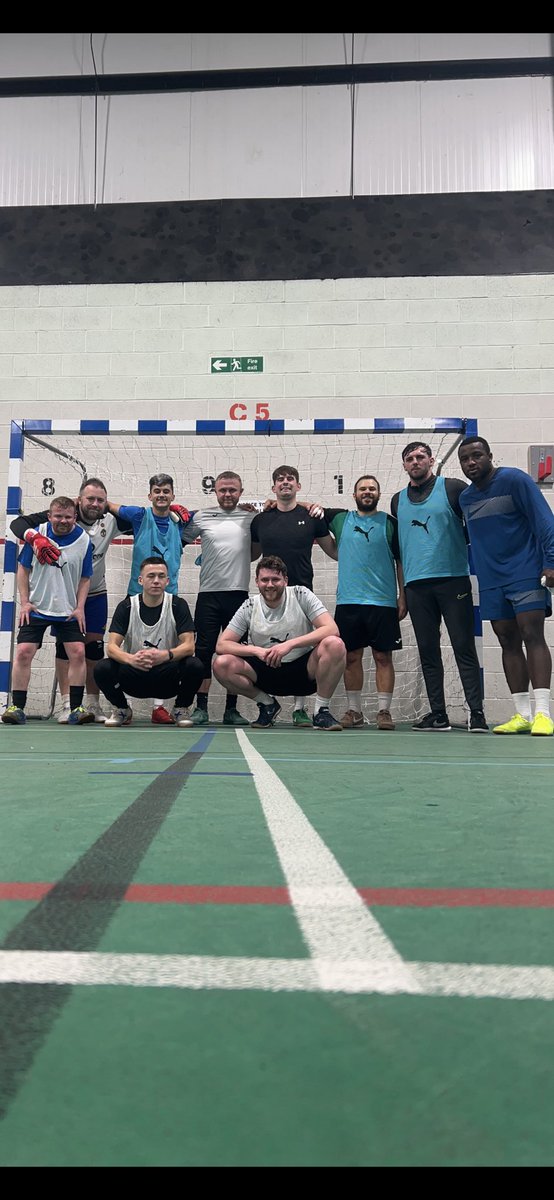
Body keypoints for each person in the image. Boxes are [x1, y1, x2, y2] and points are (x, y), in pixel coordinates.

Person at [10, 477, 132, 723]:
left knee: (92, 650)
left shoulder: (109, 521)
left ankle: (92, 703)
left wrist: (170, 510)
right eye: (90, 499)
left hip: (93, 594)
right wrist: (34, 538)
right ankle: (66, 704)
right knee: (62, 650)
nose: (95, 503)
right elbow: (18, 524)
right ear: (79, 501)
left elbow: (143, 517)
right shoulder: (55, 518)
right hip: (58, 596)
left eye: (100, 500)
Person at [458, 436, 554, 736]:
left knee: (531, 634)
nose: (472, 463)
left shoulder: (514, 479)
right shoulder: (466, 498)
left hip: (526, 571)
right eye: (465, 459)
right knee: (506, 641)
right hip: (491, 579)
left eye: (477, 456)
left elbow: (545, 521)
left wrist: (551, 561)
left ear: (490, 455)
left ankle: (543, 714)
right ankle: (522, 714)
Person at [391, 441, 487, 733]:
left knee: (463, 646)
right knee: (428, 650)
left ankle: (477, 713)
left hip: (453, 580)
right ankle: (439, 714)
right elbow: (400, 552)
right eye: (410, 459)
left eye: (420, 456)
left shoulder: (454, 488)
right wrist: (402, 594)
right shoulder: (397, 500)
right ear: (405, 466)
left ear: (431, 460)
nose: (415, 461)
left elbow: (477, 527)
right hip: (417, 587)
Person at [213, 555, 346, 731]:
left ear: (285, 580)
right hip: (265, 672)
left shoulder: (301, 594)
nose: (269, 584)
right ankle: (267, 704)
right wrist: (256, 651)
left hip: (303, 673)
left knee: (335, 644)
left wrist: (289, 645)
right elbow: (222, 644)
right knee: (221, 663)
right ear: (257, 582)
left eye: (275, 579)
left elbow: (331, 628)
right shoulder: (250, 605)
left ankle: (321, 711)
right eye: (265, 580)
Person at [250, 465, 337, 726]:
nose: (285, 483)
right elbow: (253, 555)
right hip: (270, 593)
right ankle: (268, 703)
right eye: (280, 479)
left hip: (302, 592)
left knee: (303, 645)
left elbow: (334, 550)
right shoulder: (260, 519)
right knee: (276, 642)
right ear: (273, 487)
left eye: (290, 479)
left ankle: (301, 708)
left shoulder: (312, 516)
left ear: (298, 486)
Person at [321, 475, 406, 730]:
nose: (367, 492)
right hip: (349, 602)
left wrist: (403, 596)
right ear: (354, 494)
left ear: (379, 494)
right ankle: (354, 711)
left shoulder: (391, 524)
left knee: (382, 657)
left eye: (372, 488)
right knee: (351, 657)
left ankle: (384, 712)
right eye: (362, 488)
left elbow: (400, 562)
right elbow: (304, 508)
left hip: (383, 602)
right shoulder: (340, 519)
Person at [106, 473, 191, 725]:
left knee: (166, 647)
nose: (162, 495)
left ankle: (160, 707)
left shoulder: (181, 521)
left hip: (169, 594)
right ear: (150, 495)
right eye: (157, 491)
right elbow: (109, 505)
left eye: (166, 491)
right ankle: (124, 707)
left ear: (173, 495)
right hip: (137, 593)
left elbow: (218, 509)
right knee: (131, 645)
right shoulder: (139, 515)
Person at [2, 496, 94, 726]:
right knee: (23, 652)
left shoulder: (84, 541)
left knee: (78, 653)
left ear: (75, 517)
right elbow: (23, 569)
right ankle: (17, 707)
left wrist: (80, 607)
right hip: (36, 607)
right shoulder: (37, 533)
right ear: (49, 515)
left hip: (68, 609)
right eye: (58, 516)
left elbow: (85, 577)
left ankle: (76, 708)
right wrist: (25, 602)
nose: (62, 521)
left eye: (67, 517)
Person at [180, 471, 261, 727]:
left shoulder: (251, 518)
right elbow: (175, 539)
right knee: (203, 652)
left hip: (239, 595)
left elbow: (256, 549)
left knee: (236, 653)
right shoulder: (201, 516)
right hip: (208, 595)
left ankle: (231, 710)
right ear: (215, 491)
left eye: (232, 490)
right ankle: (201, 708)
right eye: (223, 490)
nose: (228, 494)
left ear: (241, 491)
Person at [94, 557, 204, 727]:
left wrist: (165, 655)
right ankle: (122, 709)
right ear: (140, 580)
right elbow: (112, 647)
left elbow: (189, 646)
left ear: (167, 581)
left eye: (161, 576)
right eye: (151, 576)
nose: (156, 581)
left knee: (195, 665)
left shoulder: (177, 605)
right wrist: (131, 659)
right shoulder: (126, 607)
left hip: (167, 677)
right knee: (102, 668)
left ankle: (181, 708)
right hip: (135, 676)